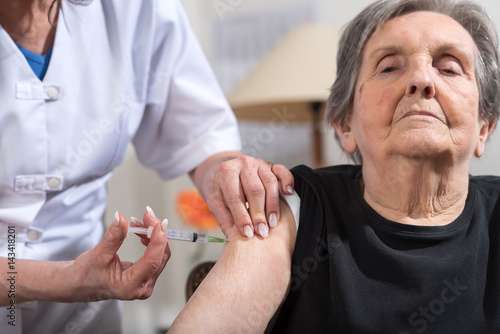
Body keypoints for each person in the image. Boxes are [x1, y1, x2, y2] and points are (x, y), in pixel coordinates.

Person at [168, 0, 500, 333]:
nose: (421, 79)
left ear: (484, 126)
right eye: (389, 67)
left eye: (449, 67)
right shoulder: (294, 208)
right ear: (344, 125)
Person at [0, 0, 294, 333]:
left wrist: (224, 173)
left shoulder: (139, 8)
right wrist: (66, 280)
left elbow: (202, 137)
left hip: (86, 319)